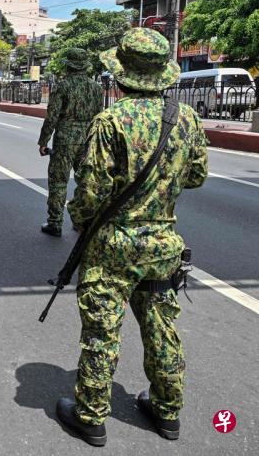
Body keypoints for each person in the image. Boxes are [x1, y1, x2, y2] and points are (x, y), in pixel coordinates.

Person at [55, 28, 208, 446]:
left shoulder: (109, 122)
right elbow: (196, 176)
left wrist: (83, 224)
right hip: (162, 245)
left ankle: (91, 415)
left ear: (119, 75)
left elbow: (88, 194)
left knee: (102, 331)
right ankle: (167, 411)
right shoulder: (186, 118)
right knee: (161, 326)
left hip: (112, 248)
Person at [38, 48, 103, 237]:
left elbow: (52, 116)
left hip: (65, 139)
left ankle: (55, 222)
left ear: (69, 65)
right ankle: (82, 221)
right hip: (88, 138)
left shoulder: (63, 86)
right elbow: (99, 116)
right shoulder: (96, 88)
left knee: (59, 182)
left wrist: (43, 141)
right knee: (86, 181)